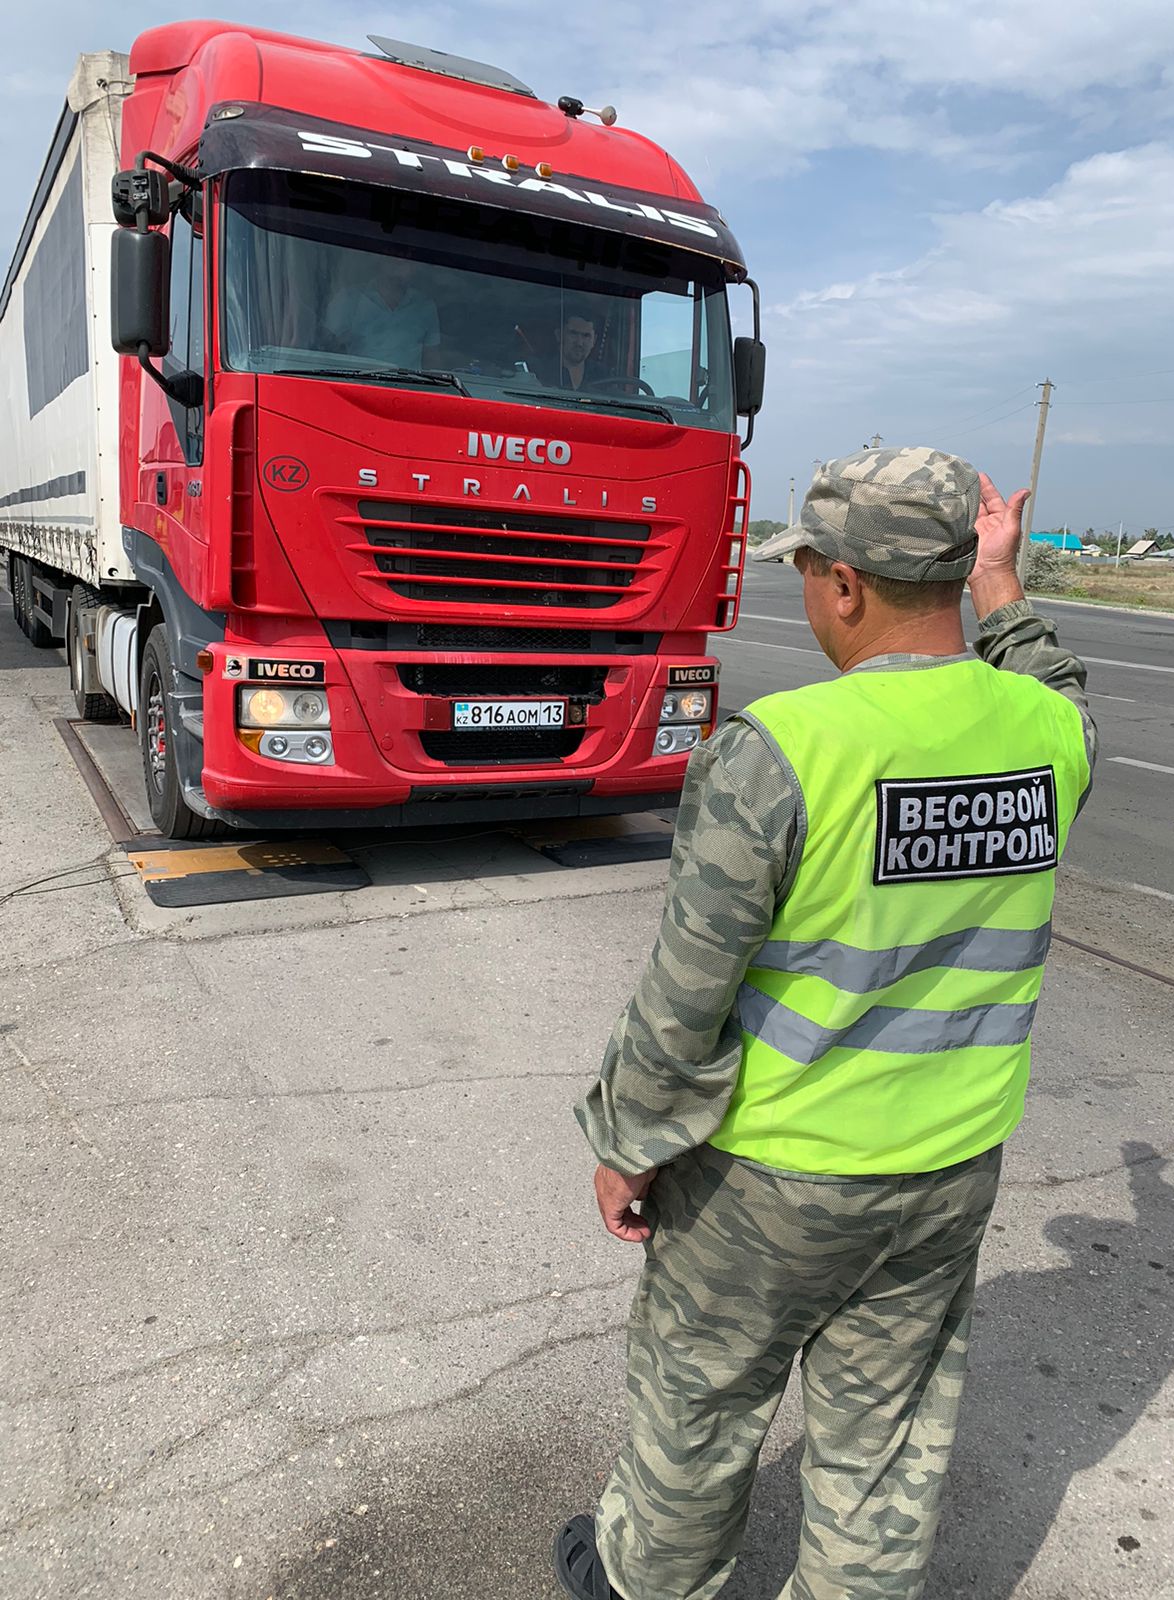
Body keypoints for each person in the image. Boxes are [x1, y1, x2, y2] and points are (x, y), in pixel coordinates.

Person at [553, 447, 1098, 1600]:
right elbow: (1059, 685)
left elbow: (684, 994)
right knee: (886, 1438)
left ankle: (644, 1582)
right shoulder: (1047, 737)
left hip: (774, 1175)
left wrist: (627, 1142)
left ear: (843, 584)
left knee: (698, 1402)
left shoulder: (784, 750)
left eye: (806, 570)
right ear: (952, 571)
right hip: (950, 1168)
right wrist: (1001, 585)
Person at [323, 248, 440, 371]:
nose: (400, 260)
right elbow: (326, 347)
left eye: (407, 256)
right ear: (380, 258)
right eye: (394, 254)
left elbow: (431, 359)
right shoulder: (349, 299)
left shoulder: (425, 306)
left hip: (408, 385)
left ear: (416, 265)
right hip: (355, 382)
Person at [535, 307, 601, 390]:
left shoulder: (602, 376)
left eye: (586, 336)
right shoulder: (538, 370)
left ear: (594, 341)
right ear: (559, 335)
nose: (579, 343)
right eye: (573, 334)